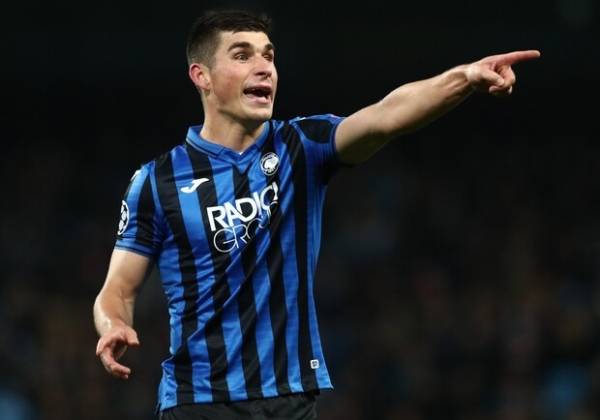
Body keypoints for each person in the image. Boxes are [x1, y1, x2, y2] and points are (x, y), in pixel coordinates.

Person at [93, 8, 540, 420]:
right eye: (242, 55)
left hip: (292, 399)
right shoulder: (157, 181)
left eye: (269, 55)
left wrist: (465, 78)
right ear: (202, 76)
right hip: (199, 403)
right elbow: (118, 290)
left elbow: (386, 116)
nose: (264, 67)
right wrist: (113, 325)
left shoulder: (301, 146)